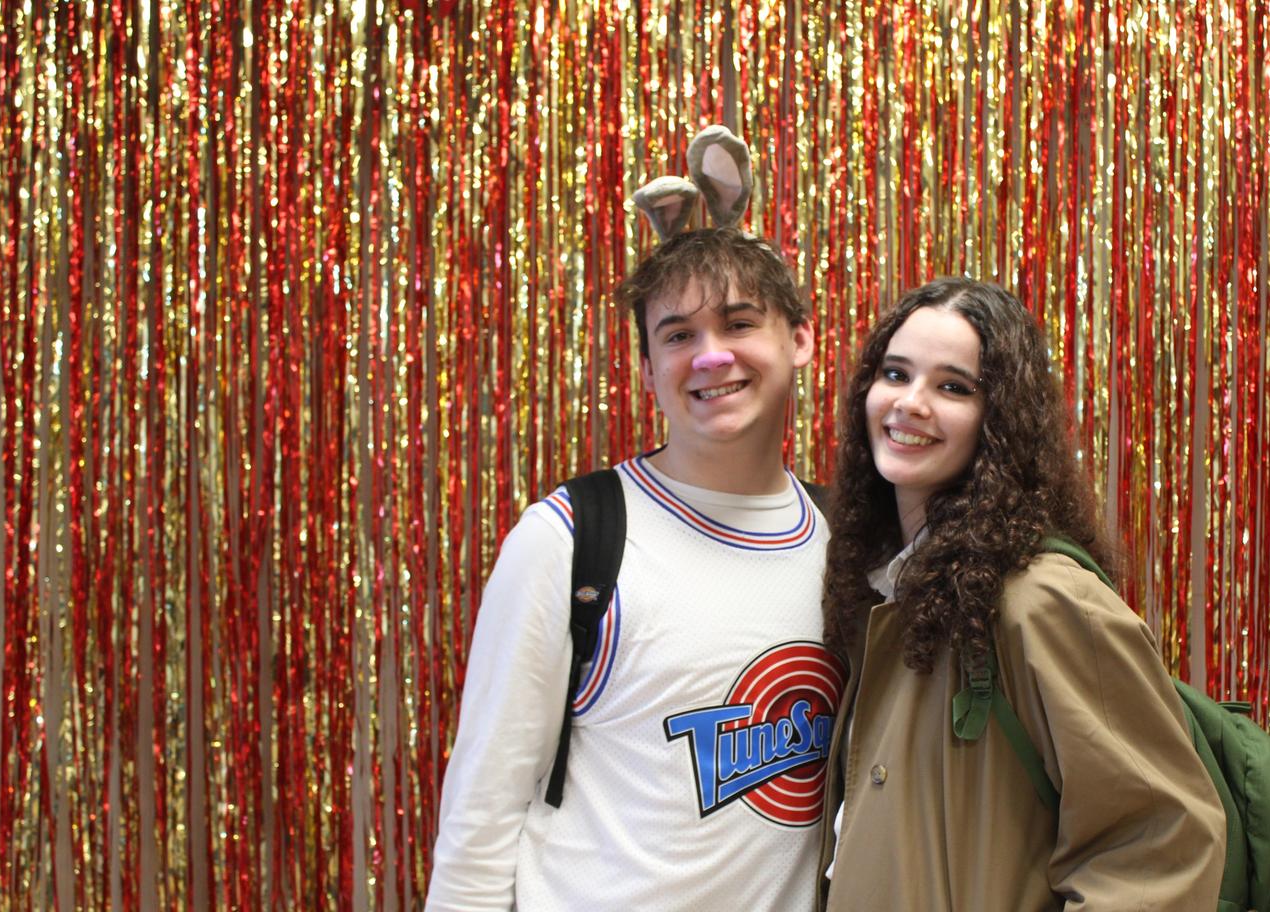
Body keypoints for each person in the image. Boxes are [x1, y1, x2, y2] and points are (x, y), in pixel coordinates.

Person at [427, 228, 843, 910]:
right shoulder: (569, 541)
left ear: (799, 340)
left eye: (739, 323)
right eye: (678, 336)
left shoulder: (847, 543)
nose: (711, 355)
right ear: (647, 371)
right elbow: (482, 811)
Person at [816, 277, 1226, 910]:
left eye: (953, 386)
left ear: (999, 419)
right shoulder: (884, 592)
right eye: (895, 375)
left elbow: (1158, 848)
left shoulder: (1042, 599)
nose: (911, 403)